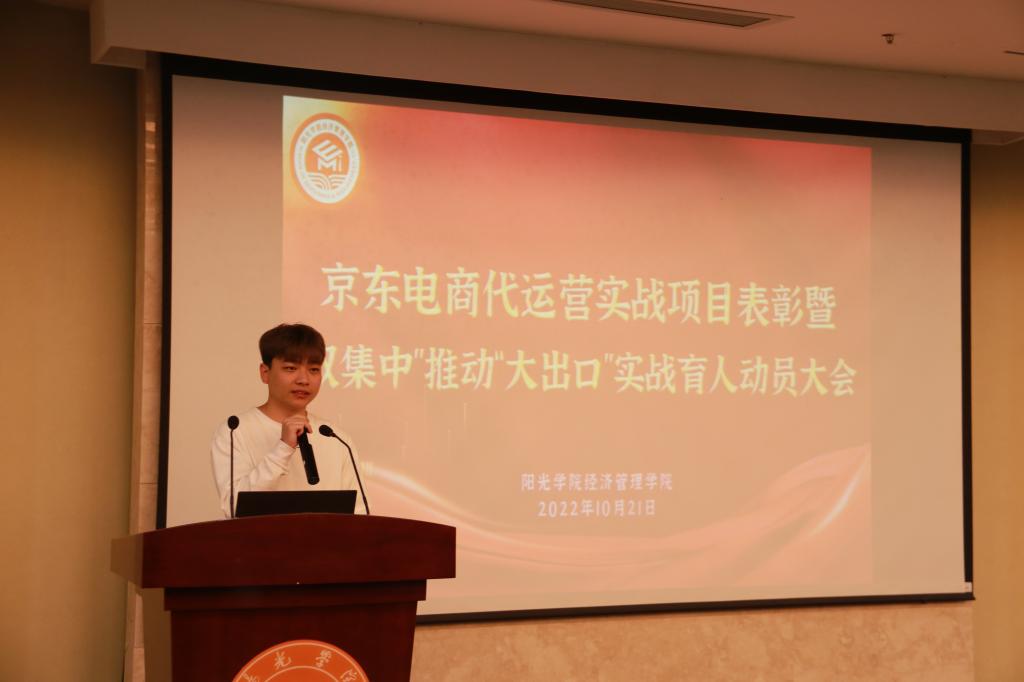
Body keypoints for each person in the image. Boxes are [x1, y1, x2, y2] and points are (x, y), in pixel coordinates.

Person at [210, 323, 368, 517]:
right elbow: (234, 508)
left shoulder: (336, 438)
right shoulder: (235, 431)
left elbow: (360, 514)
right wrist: (283, 447)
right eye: (291, 368)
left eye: (314, 369)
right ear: (265, 373)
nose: (303, 379)